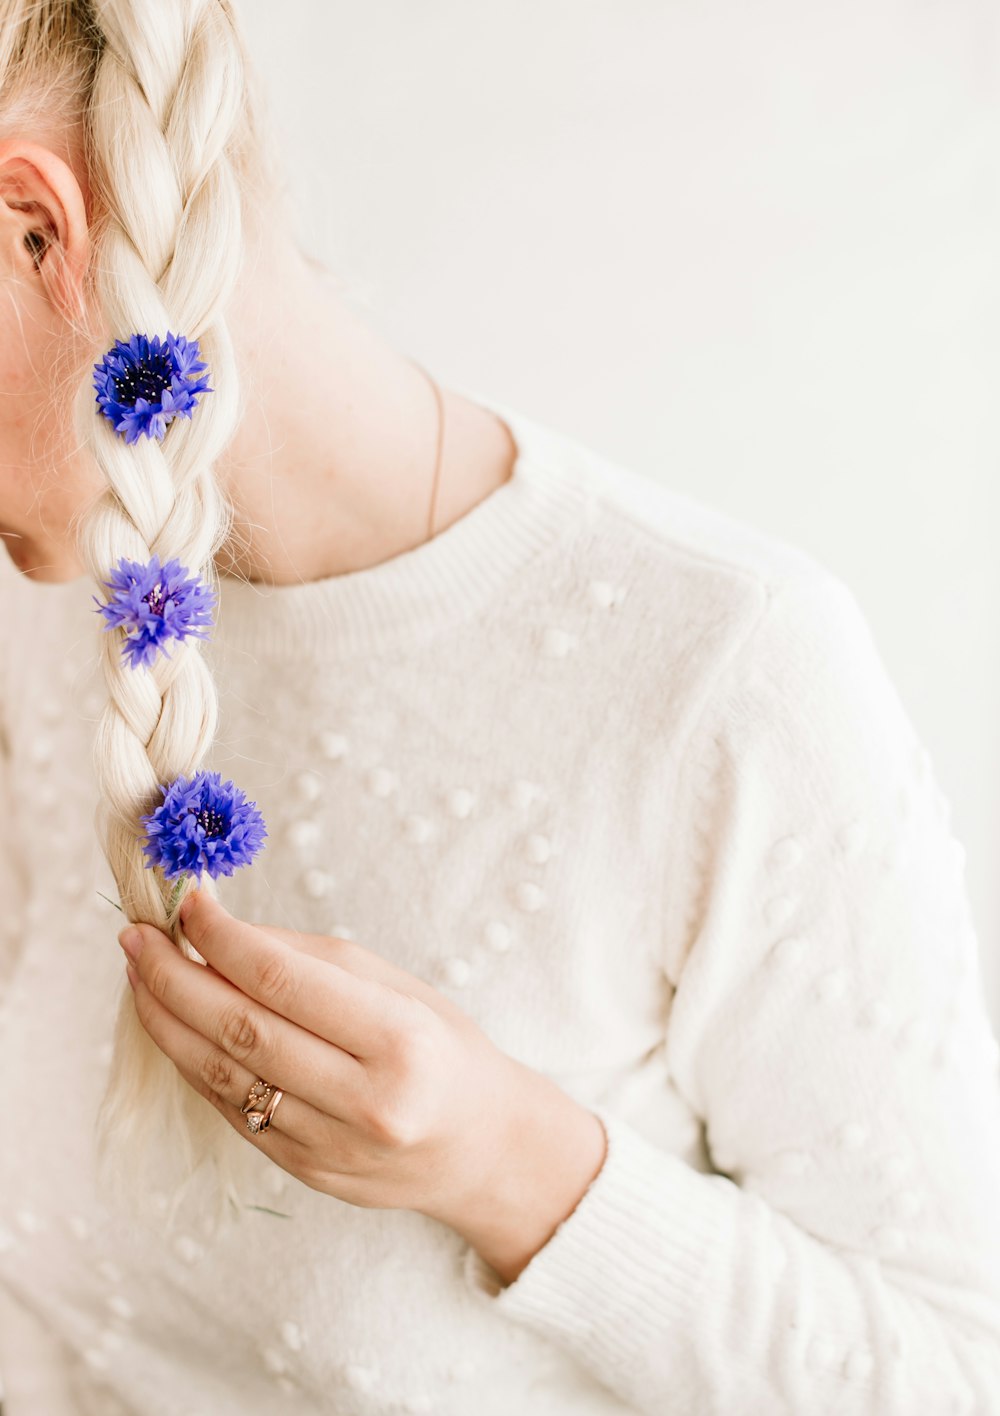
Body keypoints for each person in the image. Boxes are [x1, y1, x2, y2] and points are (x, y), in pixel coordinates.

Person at [0, 2, 998, 1413]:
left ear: (41, 229)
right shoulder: (51, 611)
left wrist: (515, 1165)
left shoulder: (728, 673)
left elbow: (958, 1378)